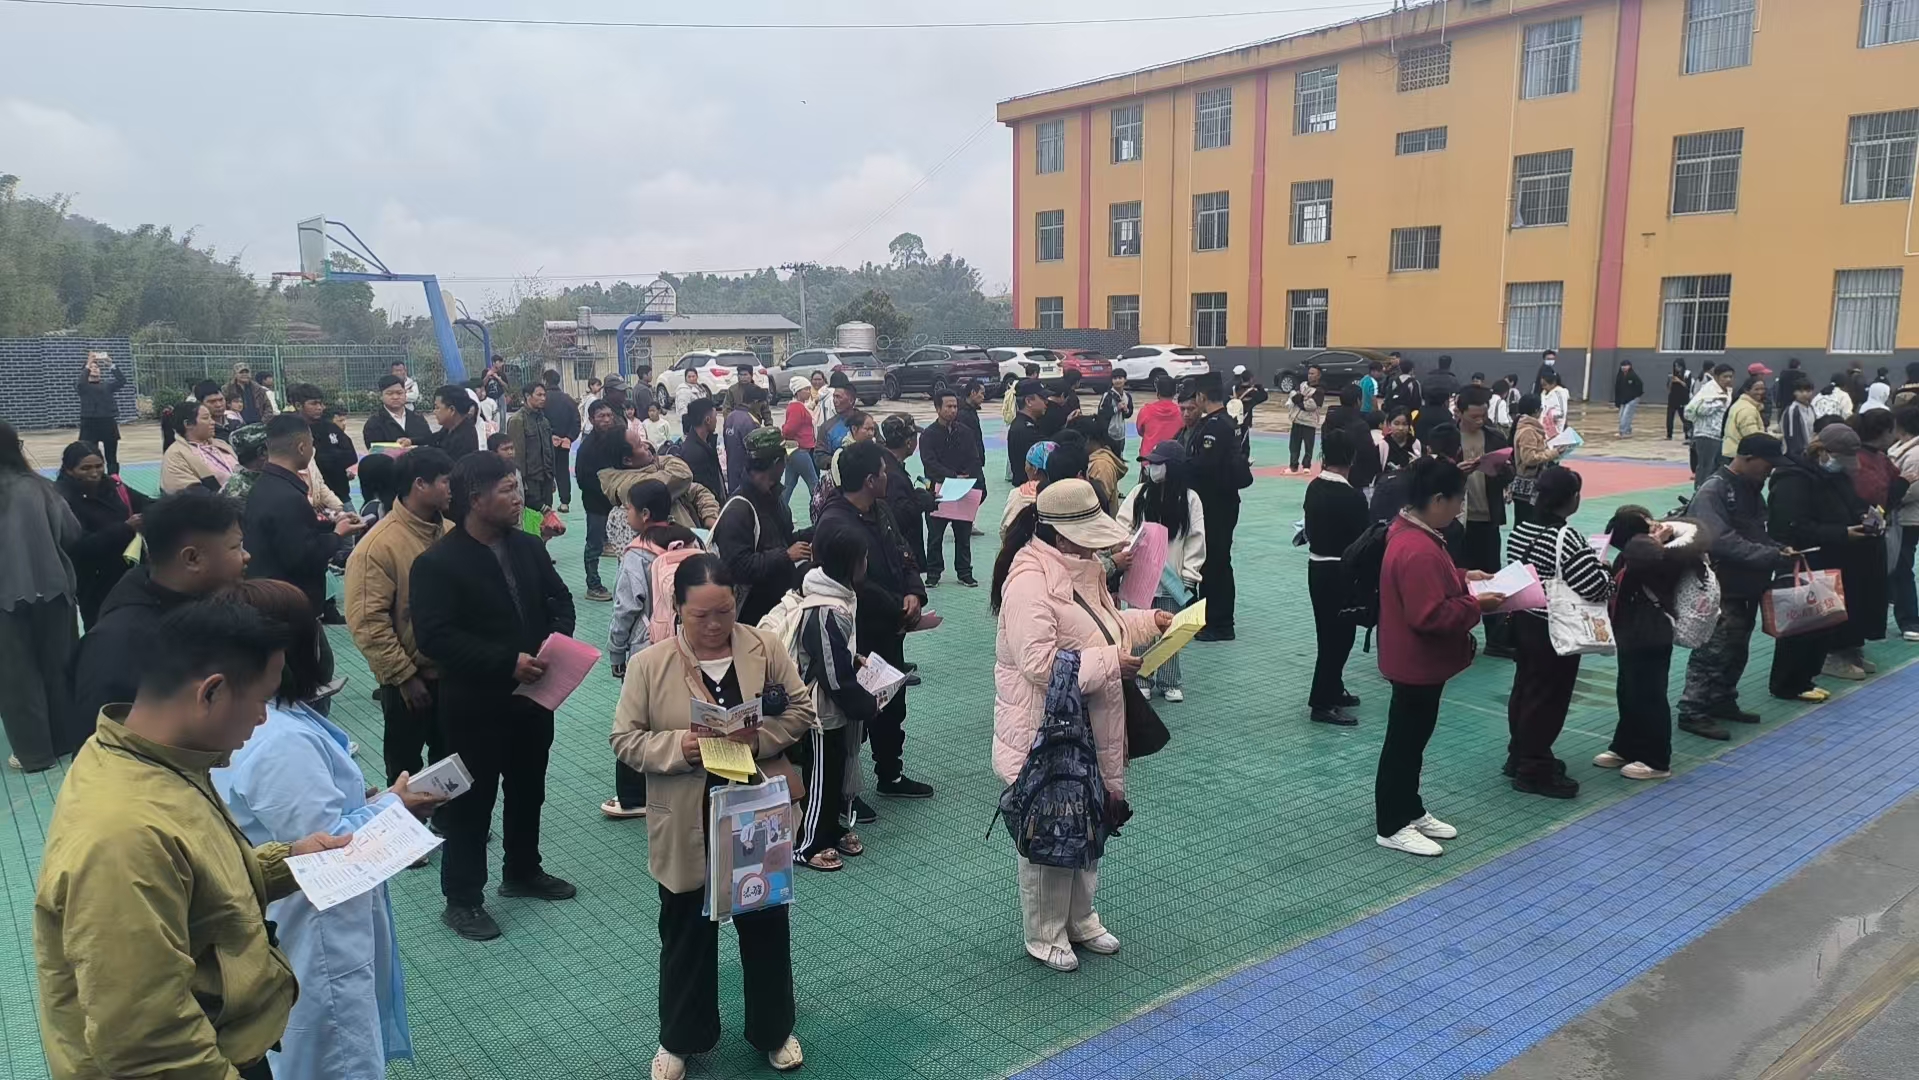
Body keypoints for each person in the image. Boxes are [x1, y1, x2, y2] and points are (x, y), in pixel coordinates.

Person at [34, 599, 353, 1080]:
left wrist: (289, 861)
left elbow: (190, 887)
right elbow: (150, 1044)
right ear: (212, 692)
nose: (262, 720)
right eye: (261, 701)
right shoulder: (123, 838)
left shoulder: (144, 755)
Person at [213, 579, 443, 1080]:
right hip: (317, 927)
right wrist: (395, 810)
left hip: (301, 919)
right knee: (332, 1054)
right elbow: (326, 852)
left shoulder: (267, 719)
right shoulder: (278, 739)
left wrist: (376, 803)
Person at [608, 554, 811, 1078]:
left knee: (765, 927)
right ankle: (681, 1038)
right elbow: (625, 739)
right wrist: (679, 747)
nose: (716, 625)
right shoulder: (649, 664)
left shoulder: (764, 647)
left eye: (725, 611)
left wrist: (759, 740)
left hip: (754, 814)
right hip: (687, 816)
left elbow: (801, 710)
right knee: (684, 933)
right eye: (701, 615)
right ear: (676, 608)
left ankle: (773, 1030)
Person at [991, 478, 1167, 972]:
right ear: (1061, 534)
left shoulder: (1082, 569)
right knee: (1051, 830)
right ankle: (1045, 932)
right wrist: (1111, 662)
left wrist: (1148, 622)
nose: (1097, 546)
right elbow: (1039, 666)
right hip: (1044, 734)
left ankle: (1081, 918)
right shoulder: (1029, 583)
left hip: (1089, 724)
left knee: (1091, 819)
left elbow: (1104, 628)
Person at [410, 451, 578, 940]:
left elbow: (559, 600)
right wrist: (507, 662)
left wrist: (556, 646)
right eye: (507, 490)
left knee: (528, 789)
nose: (518, 498)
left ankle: (522, 871)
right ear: (475, 499)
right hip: (475, 707)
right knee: (470, 803)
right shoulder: (437, 563)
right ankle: (462, 899)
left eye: (517, 487)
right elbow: (435, 638)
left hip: (533, 700)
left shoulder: (527, 546)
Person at [1374, 458, 1505, 857]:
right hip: (1415, 662)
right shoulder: (1418, 548)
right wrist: (1477, 605)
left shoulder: (1414, 533)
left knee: (1412, 741)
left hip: (1415, 661)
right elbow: (1428, 615)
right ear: (1436, 500)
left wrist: (1464, 578)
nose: (1460, 508)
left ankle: (1409, 808)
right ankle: (1391, 824)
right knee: (1404, 744)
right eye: (1458, 500)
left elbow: (1431, 587)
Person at [814, 441, 934, 800]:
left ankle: (890, 774)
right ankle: (842, 795)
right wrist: (898, 607)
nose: (887, 477)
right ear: (869, 480)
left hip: (889, 630)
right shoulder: (835, 524)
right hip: (857, 634)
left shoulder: (880, 510)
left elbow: (903, 552)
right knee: (852, 715)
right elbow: (856, 586)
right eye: (883, 472)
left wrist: (914, 592)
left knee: (892, 704)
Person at [346, 447, 455, 786]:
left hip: (454, 674)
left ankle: (449, 813)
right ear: (420, 484)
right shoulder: (377, 546)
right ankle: (406, 817)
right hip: (409, 681)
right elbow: (368, 623)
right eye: (445, 481)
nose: (452, 489)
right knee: (405, 768)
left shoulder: (452, 532)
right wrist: (404, 676)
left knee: (451, 762)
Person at [1673, 436, 1792, 740]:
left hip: (1745, 583)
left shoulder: (1750, 488)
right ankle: (1693, 710)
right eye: (1767, 464)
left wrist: (1776, 547)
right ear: (1748, 458)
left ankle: (1722, 698)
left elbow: (1755, 531)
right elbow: (1719, 540)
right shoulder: (1715, 490)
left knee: (1736, 647)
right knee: (1712, 650)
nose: (1770, 471)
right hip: (1722, 585)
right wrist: (1768, 554)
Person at [1503, 466, 1610, 799]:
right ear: (1572, 499)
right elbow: (1594, 586)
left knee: (1526, 690)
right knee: (1549, 699)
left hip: (1524, 619)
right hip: (1555, 626)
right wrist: (1607, 575)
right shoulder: (1566, 537)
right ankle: (1534, 769)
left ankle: (1519, 754)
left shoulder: (1521, 529)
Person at [605, 480, 704, 819]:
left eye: (629, 509)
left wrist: (617, 653)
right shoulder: (693, 541)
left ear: (644, 514)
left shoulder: (638, 553)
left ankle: (633, 796)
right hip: (691, 643)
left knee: (636, 718)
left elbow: (626, 608)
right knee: (685, 711)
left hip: (649, 646)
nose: (627, 515)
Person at [1597, 507, 1713, 782]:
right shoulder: (1637, 553)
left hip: (1652, 634)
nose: (1655, 526)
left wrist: (1655, 539)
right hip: (1630, 635)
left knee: (1649, 695)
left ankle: (1656, 759)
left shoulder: (1666, 554)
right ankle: (1625, 746)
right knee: (1628, 691)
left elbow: (1643, 555)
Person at [790, 528, 880, 871]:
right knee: (821, 776)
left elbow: (832, 657)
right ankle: (809, 843)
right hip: (820, 710)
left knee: (836, 770)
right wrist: (866, 704)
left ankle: (831, 828)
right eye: (863, 557)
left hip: (833, 706)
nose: (866, 562)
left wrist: (852, 660)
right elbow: (833, 676)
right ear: (851, 563)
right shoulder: (826, 609)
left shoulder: (836, 597)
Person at [1766, 425, 1873, 702]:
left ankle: (1805, 678)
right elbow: (1791, 526)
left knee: (1822, 623)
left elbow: (1852, 501)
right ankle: (1787, 684)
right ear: (1823, 452)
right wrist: (1842, 533)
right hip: (1802, 558)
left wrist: (1864, 515)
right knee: (1799, 625)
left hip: (1830, 558)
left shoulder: (1833, 475)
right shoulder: (1793, 478)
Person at [0, 424, 82, 773]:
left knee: (16, 679)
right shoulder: (40, 487)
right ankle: (64, 741)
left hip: (5, 599)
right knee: (59, 667)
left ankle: (34, 754)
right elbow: (72, 533)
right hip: (53, 590)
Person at [245, 415, 365, 623]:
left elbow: (292, 532)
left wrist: (333, 523)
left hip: (272, 595)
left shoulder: (266, 484)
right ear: (302, 447)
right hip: (289, 603)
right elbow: (303, 555)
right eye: (312, 444)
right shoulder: (288, 496)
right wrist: (338, 535)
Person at [1116, 439, 1205, 703]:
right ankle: (1141, 678)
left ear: (1173, 467)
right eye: (1150, 463)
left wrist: (1190, 575)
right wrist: (1131, 544)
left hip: (1172, 580)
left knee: (1170, 629)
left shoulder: (1190, 499)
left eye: (1158, 463)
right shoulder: (1140, 494)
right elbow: (1122, 526)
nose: (1151, 468)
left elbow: (1195, 539)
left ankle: (1169, 681)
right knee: (1139, 630)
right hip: (1141, 578)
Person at [1301, 426, 1368, 725]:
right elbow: (1362, 541)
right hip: (1340, 571)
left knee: (1329, 635)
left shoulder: (1314, 487)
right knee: (1338, 639)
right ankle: (1322, 702)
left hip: (1317, 567)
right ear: (1352, 458)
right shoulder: (1353, 497)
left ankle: (1334, 688)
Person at [57, 440, 151, 628]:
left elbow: (146, 503)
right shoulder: (61, 500)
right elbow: (78, 546)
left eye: (99, 466)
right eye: (85, 468)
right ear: (69, 470)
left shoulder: (115, 486)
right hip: (92, 582)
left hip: (128, 573)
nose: (94, 473)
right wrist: (125, 528)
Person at [716, 428, 805, 627]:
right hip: (754, 617)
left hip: (779, 606)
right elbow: (737, 566)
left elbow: (783, 538)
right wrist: (786, 555)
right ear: (776, 463)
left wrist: (811, 534)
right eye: (784, 459)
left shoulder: (773, 497)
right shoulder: (738, 510)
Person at [1184, 373, 1249, 641]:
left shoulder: (1214, 426)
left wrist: (1179, 467)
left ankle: (1219, 623)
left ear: (1201, 397)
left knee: (1215, 563)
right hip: (1221, 501)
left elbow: (1204, 465)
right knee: (1214, 562)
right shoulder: (1228, 421)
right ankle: (1211, 618)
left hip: (1216, 503)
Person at [1455, 386, 1516, 656]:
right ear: (1459, 412)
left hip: (1487, 517)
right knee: (1456, 579)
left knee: (1491, 577)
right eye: (1474, 416)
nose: (1480, 420)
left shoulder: (1494, 436)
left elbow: (1510, 473)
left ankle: (1497, 639)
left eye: (1483, 415)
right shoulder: (1448, 437)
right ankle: (1456, 636)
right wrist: (1456, 472)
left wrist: (1502, 470)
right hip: (1456, 520)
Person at [920, 388, 982, 587]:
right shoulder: (928, 435)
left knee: (963, 535)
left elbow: (974, 458)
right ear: (938, 408)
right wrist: (952, 476)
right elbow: (929, 463)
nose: (953, 410)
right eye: (948, 406)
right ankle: (933, 573)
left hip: (963, 490)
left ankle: (964, 572)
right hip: (938, 491)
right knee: (935, 536)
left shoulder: (965, 432)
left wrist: (970, 479)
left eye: (955, 406)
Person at [575, 399, 626, 601]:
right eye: (601, 416)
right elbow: (581, 479)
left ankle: (624, 585)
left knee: (623, 543)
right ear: (591, 419)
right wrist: (605, 490)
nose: (606, 420)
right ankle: (593, 584)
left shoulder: (616, 440)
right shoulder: (587, 448)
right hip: (595, 504)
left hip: (616, 502)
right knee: (594, 544)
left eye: (609, 415)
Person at [880, 414, 935, 586]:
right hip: (899, 553)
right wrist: (922, 502)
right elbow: (898, 514)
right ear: (908, 442)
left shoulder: (885, 462)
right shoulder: (893, 474)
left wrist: (916, 495)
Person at [288, 383, 358, 506]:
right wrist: (329, 459)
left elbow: (351, 456)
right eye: (314, 403)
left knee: (352, 517)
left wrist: (324, 459)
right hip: (305, 497)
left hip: (339, 492)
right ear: (298, 405)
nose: (319, 407)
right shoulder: (289, 430)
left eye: (320, 403)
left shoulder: (330, 427)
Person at [160, 401, 241, 493]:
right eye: (205, 418)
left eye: (211, 417)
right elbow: (187, 492)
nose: (212, 422)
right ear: (188, 424)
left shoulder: (221, 444)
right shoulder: (176, 454)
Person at [1890, 407, 1919, 641]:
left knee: (1902, 568)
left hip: (1909, 518)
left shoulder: (1915, 454)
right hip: (1898, 516)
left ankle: (1910, 621)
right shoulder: (1900, 449)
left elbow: (1912, 490)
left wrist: (1890, 494)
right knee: (1898, 566)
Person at [508, 381, 558, 511]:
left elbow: (550, 451)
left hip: (546, 478)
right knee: (532, 517)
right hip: (530, 481)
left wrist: (552, 477)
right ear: (527, 396)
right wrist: (521, 482)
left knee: (547, 517)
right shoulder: (518, 420)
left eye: (544, 395)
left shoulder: (544, 421)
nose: (543, 398)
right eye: (539, 395)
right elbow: (517, 455)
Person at [74, 352, 126, 475]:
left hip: (108, 422)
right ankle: (92, 477)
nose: (95, 369)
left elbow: (122, 381)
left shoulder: (107, 386)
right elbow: (81, 383)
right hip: (89, 424)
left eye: (97, 367)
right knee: (89, 455)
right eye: (92, 367)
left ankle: (114, 479)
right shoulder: (83, 386)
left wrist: (110, 364)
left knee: (111, 457)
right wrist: (88, 363)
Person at [1685, 364, 1736, 487]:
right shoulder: (1709, 390)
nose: (1728, 379)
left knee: (1719, 467)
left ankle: (1714, 492)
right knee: (1706, 467)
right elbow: (1694, 410)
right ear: (1716, 377)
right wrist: (1718, 403)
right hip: (1706, 435)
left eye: (1730, 376)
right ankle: (1700, 491)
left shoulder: (1728, 390)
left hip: (1721, 435)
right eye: (1725, 376)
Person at [781, 377, 823, 517]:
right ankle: (820, 511)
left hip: (793, 449)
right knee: (814, 483)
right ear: (797, 391)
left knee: (789, 485)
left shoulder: (797, 406)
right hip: (800, 449)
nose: (808, 391)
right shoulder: (797, 407)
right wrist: (784, 431)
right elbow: (789, 429)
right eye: (805, 389)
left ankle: (778, 511)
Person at [541, 375, 579, 517]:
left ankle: (546, 504)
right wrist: (569, 437)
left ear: (545, 380)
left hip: (545, 442)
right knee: (563, 471)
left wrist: (549, 436)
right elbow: (576, 421)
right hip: (564, 442)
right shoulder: (568, 400)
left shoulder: (542, 400)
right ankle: (565, 502)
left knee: (545, 471)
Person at [722, 382, 767, 496]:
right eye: (761, 404)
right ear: (755, 402)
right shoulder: (752, 422)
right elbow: (756, 454)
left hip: (732, 473)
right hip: (747, 477)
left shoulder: (730, 417)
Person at [363, 374, 432, 447]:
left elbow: (428, 441)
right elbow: (375, 449)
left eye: (399, 393)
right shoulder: (374, 423)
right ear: (381, 396)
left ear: (405, 394)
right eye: (389, 394)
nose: (395, 397)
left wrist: (412, 441)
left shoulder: (418, 419)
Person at [1006, 378, 1050, 484]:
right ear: (1029, 401)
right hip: (1030, 486)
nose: (1046, 402)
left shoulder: (1022, 423)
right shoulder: (1025, 430)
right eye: (1043, 398)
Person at [681, 397, 726, 498]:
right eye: (715, 416)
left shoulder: (708, 442)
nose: (716, 421)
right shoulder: (693, 453)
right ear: (708, 420)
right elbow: (703, 490)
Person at [1134, 375, 1184, 462]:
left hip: (1149, 458)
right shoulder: (1182, 412)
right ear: (1174, 392)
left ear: (1158, 392)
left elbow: (1140, 431)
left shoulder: (1146, 411)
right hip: (1174, 459)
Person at [427, 383, 483, 461]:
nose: (434, 412)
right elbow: (435, 438)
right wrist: (412, 441)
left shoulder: (464, 437)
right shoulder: (450, 426)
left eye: (437, 408)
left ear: (452, 410)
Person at [1287, 366, 1325, 474]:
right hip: (1296, 419)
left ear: (1318, 376)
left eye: (1313, 374)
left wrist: (1298, 400)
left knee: (1308, 445)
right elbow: (1292, 395)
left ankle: (1306, 466)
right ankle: (1293, 466)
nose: (1310, 376)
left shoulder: (1319, 390)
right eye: (1309, 373)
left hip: (1309, 422)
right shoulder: (1302, 385)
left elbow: (1311, 406)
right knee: (1294, 445)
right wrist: (1301, 399)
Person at [1722, 376, 1767, 461]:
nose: (1760, 392)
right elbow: (1753, 437)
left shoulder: (1741, 404)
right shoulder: (1747, 410)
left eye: (1762, 389)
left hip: (1733, 451)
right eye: (1756, 389)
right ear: (1747, 390)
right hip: (1741, 455)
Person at [1099, 369, 1134, 457]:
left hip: (1121, 433)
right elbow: (1101, 414)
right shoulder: (1107, 395)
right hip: (1109, 433)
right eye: (1115, 378)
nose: (1117, 381)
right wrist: (1116, 409)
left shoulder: (1127, 396)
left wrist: (1126, 410)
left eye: (1120, 378)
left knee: (1120, 456)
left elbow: (1129, 413)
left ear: (1125, 379)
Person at [1782, 376, 1817, 456]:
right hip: (1797, 453)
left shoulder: (1811, 408)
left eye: (1808, 391)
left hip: (1810, 450)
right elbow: (1792, 436)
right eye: (1801, 391)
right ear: (1794, 392)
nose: (1804, 394)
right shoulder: (1792, 410)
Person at [1666, 359, 1694, 441]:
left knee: (1684, 418)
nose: (1676, 368)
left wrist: (1679, 381)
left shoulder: (1687, 374)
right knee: (1669, 417)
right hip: (1672, 398)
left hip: (1682, 399)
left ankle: (1688, 434)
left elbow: (1687, 386)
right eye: (1675, 366)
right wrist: (1670, 381)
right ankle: (1669, 435)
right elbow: (1669, 388)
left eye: (1678, 366)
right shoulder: (1673, 374)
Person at [1614, 360, 1643, 437]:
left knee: (1626, 415)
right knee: (1621, 415)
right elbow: (1617, 389)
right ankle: (1628, 430)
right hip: (1623, 400)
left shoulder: (1633, 376)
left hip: (1632, 399)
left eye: (1626, 366)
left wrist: (1635, 396)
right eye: (1622, 366)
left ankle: (1622, 432)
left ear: (1629, 366)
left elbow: (1640, 386)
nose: (1624, 367)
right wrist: (1617, 401)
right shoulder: (1620, 376)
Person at [1537, 370, 1570, 435]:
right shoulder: (1543, 394)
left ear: (1553, 383)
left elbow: (1562, 413)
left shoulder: (1560, 393)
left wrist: (1550, 417)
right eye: (1542, 385)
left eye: (1545, 385)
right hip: (1544, 427)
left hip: (1556, 428)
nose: (1543, 387)